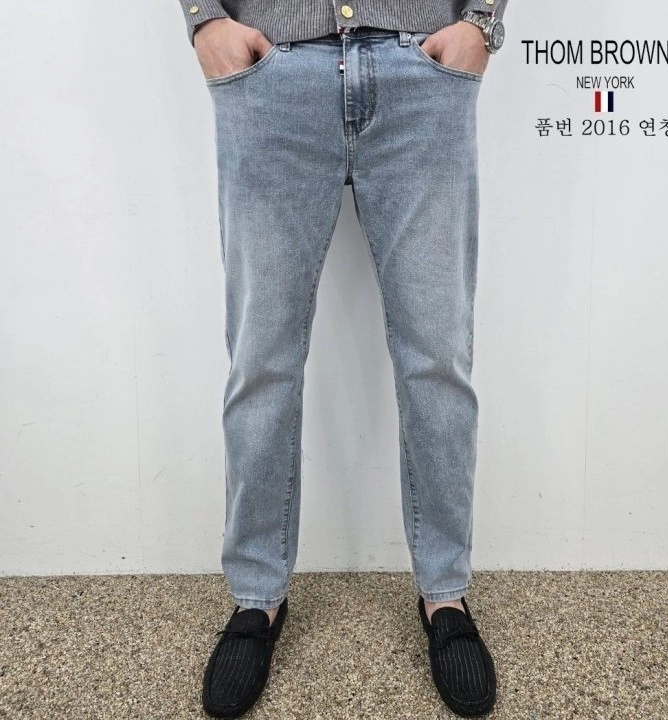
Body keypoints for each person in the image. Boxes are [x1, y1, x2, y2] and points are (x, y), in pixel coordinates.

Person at [177, 0, 508, 716]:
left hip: (421, 70)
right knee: (261, 358)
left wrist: (482, 21)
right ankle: (256, 598)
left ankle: (445, 595)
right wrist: (204, 19)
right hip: (272, 76)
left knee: (437, 357)